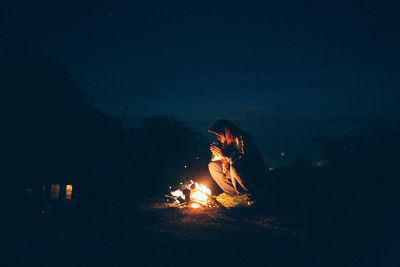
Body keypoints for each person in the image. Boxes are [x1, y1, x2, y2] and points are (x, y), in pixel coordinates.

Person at [208, 119, 267, 200]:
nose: (217, 138)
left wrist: (224, 155)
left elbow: (242, 160)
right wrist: (217, 153)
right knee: (212, 166)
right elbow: (221, 160)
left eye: (219, 136)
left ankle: (248, 195)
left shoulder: (243, 139)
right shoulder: (224, 144)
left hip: (251, 173)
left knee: (234, 167)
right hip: (235, 173)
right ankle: (235, 194)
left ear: (225, 133)